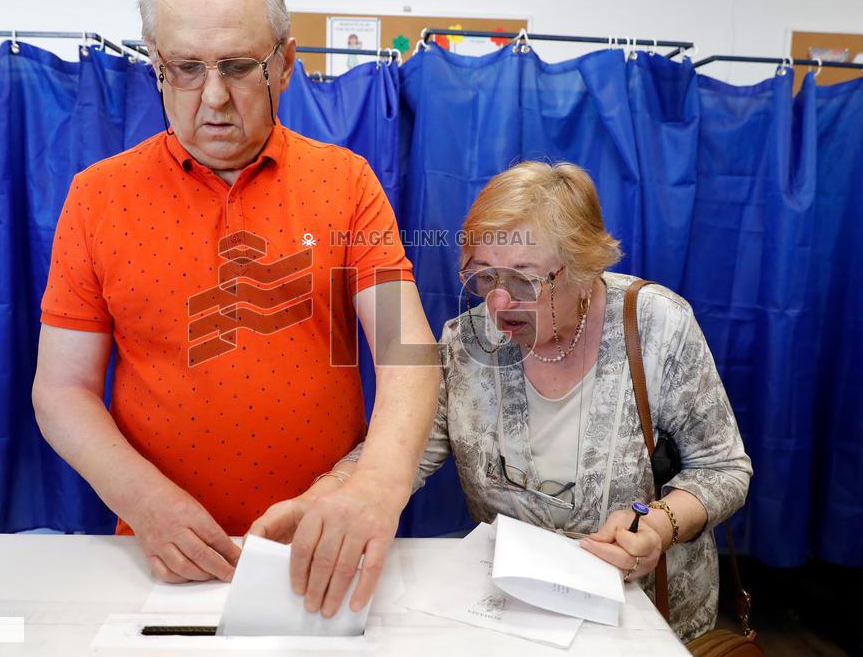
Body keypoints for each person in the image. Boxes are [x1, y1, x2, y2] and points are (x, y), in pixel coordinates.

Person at [31, 0, 439, 619]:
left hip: (323, 543)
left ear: (285, 63)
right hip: (160, 550)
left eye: (239, 67)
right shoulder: (97, 198)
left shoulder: (346, 184)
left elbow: (408, 355)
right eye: (186, 69)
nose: (214, 97)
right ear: (156, 65)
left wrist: (374, 487)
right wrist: (145, 503)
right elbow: (61, 389)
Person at [258, 160, 752, 641]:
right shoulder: (464, 343)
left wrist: (659, 527)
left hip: (643, 624)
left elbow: (723, 468)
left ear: (582, 268)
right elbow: (398, 453)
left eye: (522, 279)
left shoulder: (657, 325)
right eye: (484, 276)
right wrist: (323, 498)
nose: (496, 302)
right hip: (516, 620)